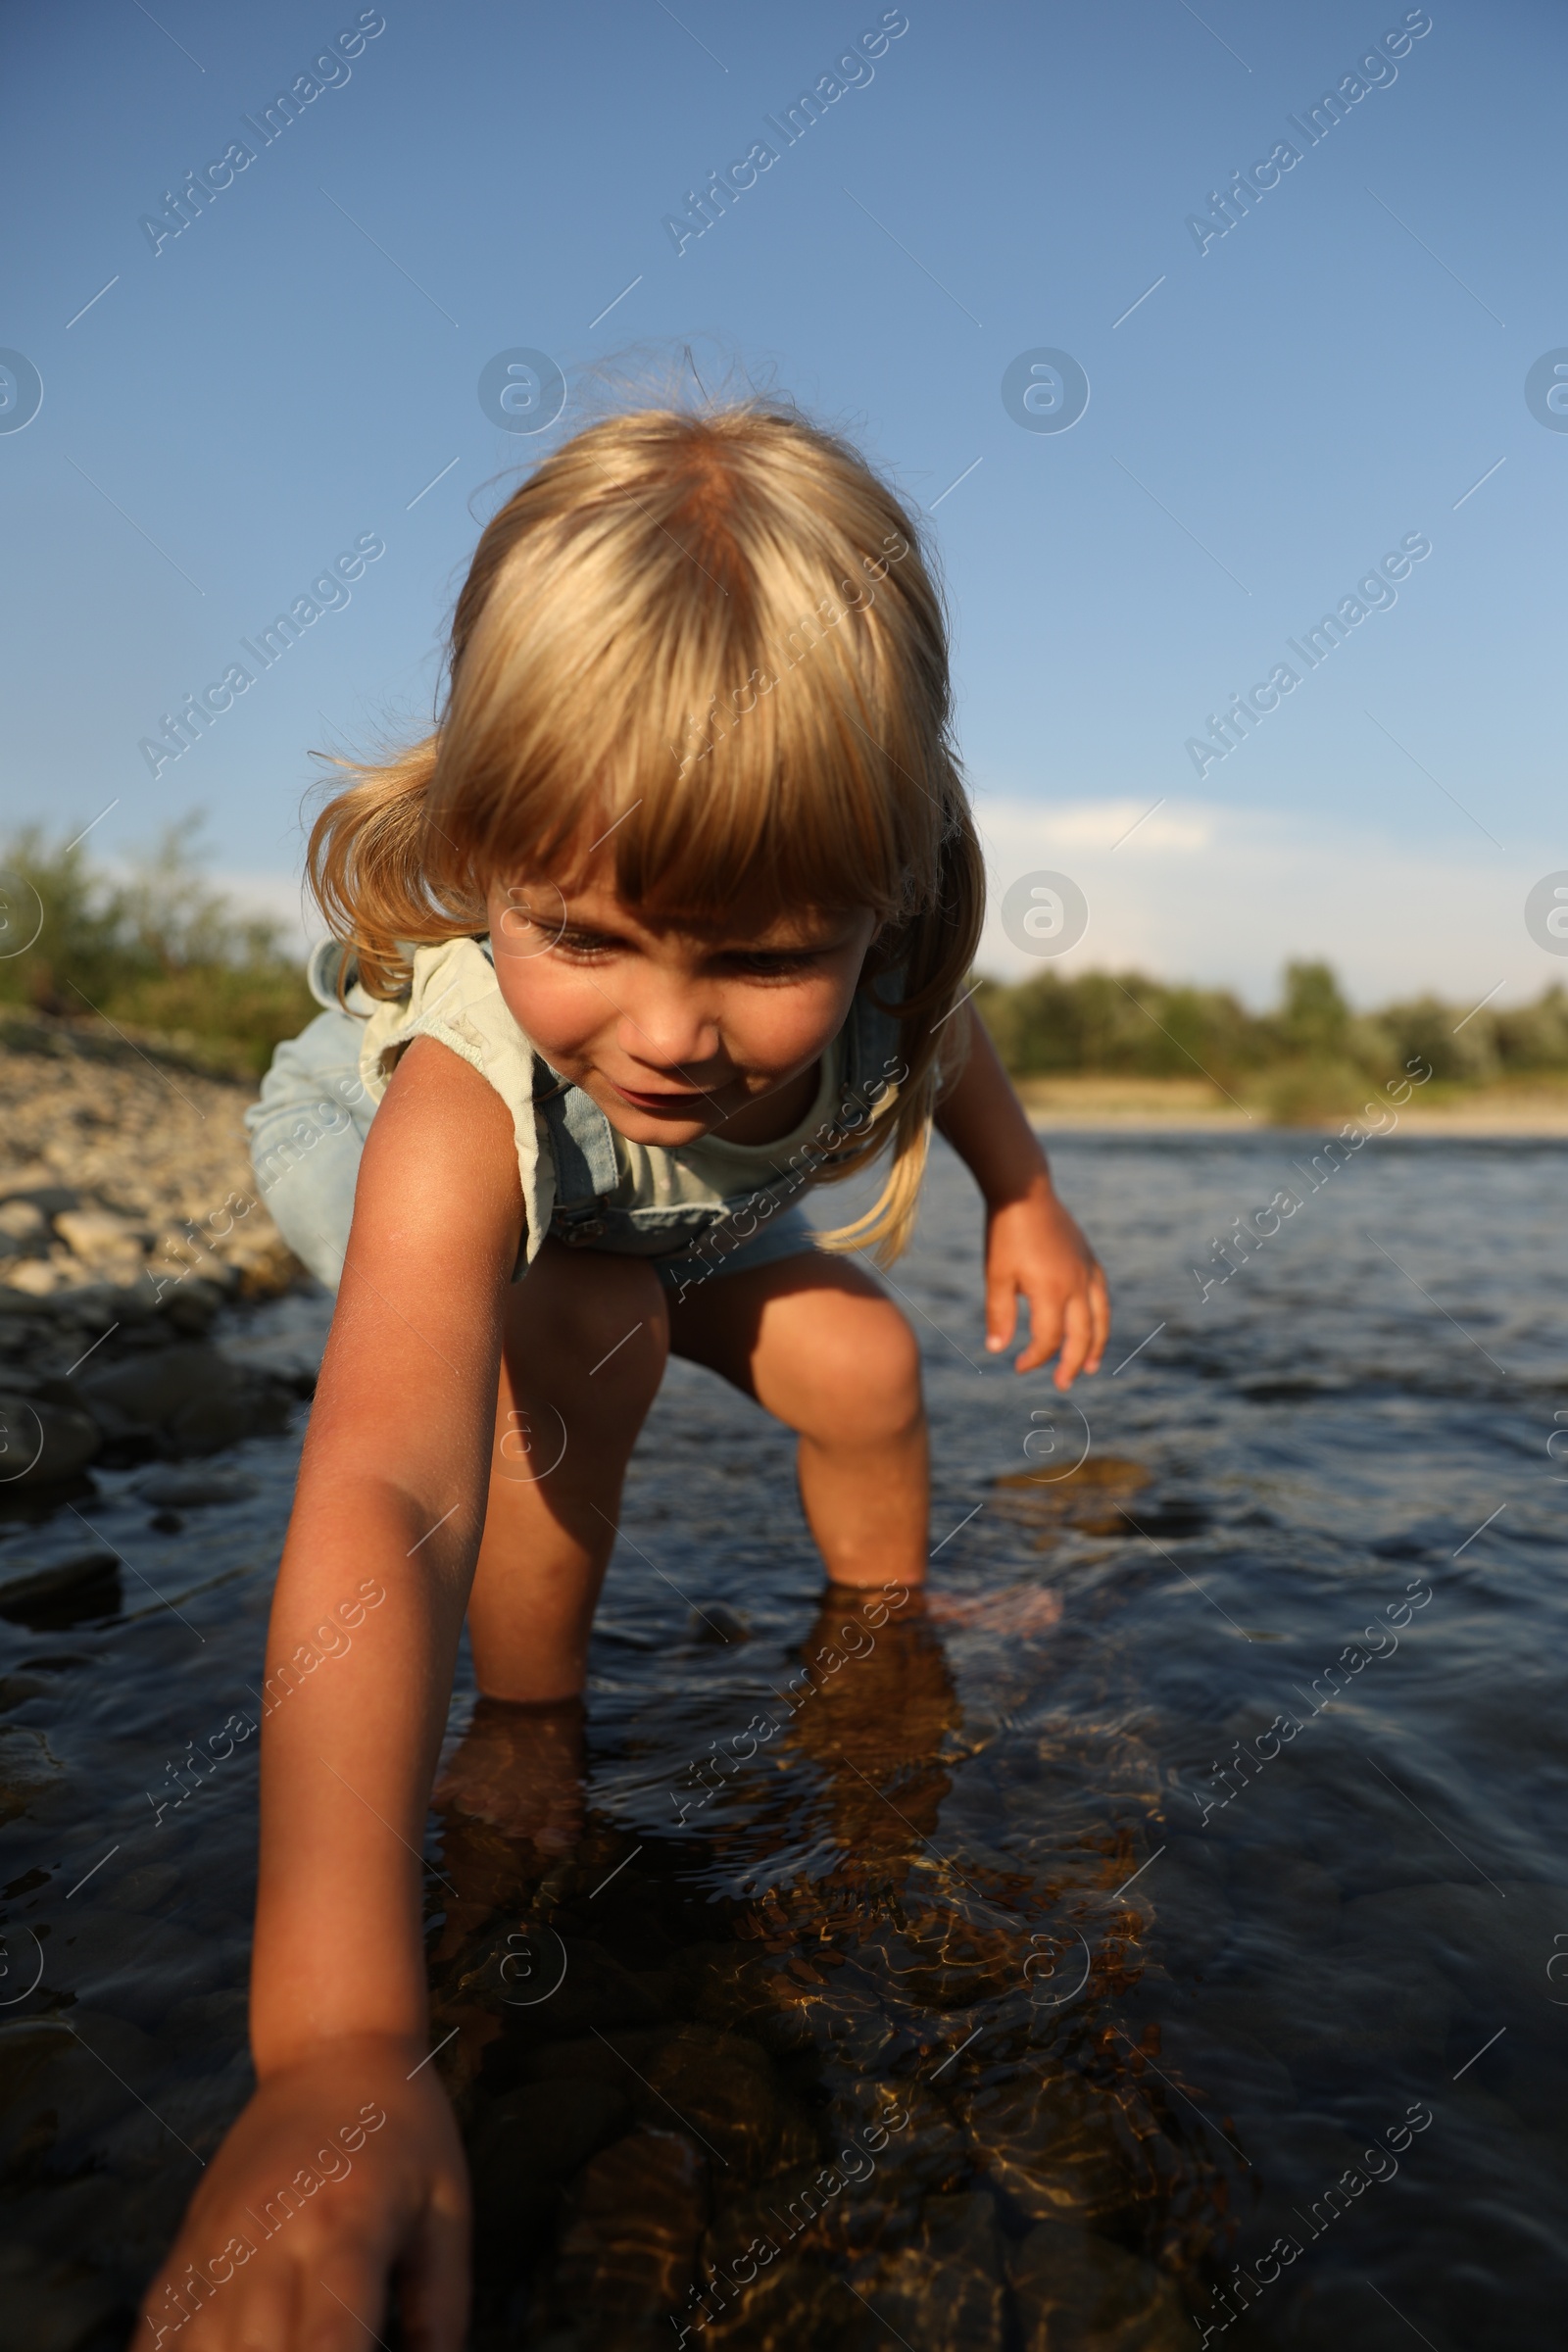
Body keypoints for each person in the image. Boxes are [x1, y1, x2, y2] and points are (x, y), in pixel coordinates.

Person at [140, 398, 1108, 2348]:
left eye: (759, 957)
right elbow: (384, 1488)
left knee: (856, 1358)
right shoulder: (462, 1080)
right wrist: (334, 2046)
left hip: (680, 1208)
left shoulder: (884, 968)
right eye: (581, 930)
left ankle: (883, 1661)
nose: (668, 1027)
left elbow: (955, 1052)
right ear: (483, 854)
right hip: (489, 1178)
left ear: (884, 894)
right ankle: (532, 1714)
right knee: (579, 1328)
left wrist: (1027, 1204)